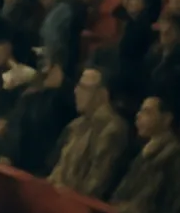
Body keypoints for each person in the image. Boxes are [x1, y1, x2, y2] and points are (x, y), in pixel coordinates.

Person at [48, 67, 130, 198]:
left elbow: (96, 183)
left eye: (84, 88)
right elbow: (58, 168)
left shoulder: (113, 130)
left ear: (102, 94)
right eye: (77, 86)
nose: (76, 91)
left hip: (78, 206)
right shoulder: (76, 125)